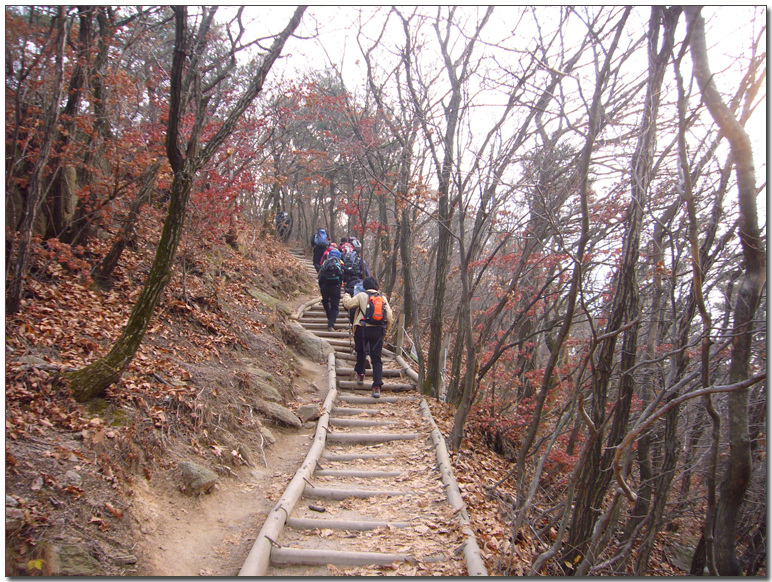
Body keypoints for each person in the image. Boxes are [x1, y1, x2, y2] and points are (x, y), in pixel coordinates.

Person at [342, 277, 393, 398]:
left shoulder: (361, 295)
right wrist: (385, 330)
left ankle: (360, 374)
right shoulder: (383, 298)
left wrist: (346, 295)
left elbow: (348, 304)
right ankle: (376, 387)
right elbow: (390, 316)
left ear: (365, 286)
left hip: (362, 328)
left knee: (361, 351)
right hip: (377, 330)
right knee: (376, 358)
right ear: (376, 286)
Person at [318, 248, 344, 331]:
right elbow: (342, 277)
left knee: (325, 301)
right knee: (335, 308)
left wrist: (321, 287)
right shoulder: (340, 263)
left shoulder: (325, 263)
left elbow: (320, 277)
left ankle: (330, 320)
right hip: (335, 287)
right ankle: (331, 324)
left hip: (325, 286)